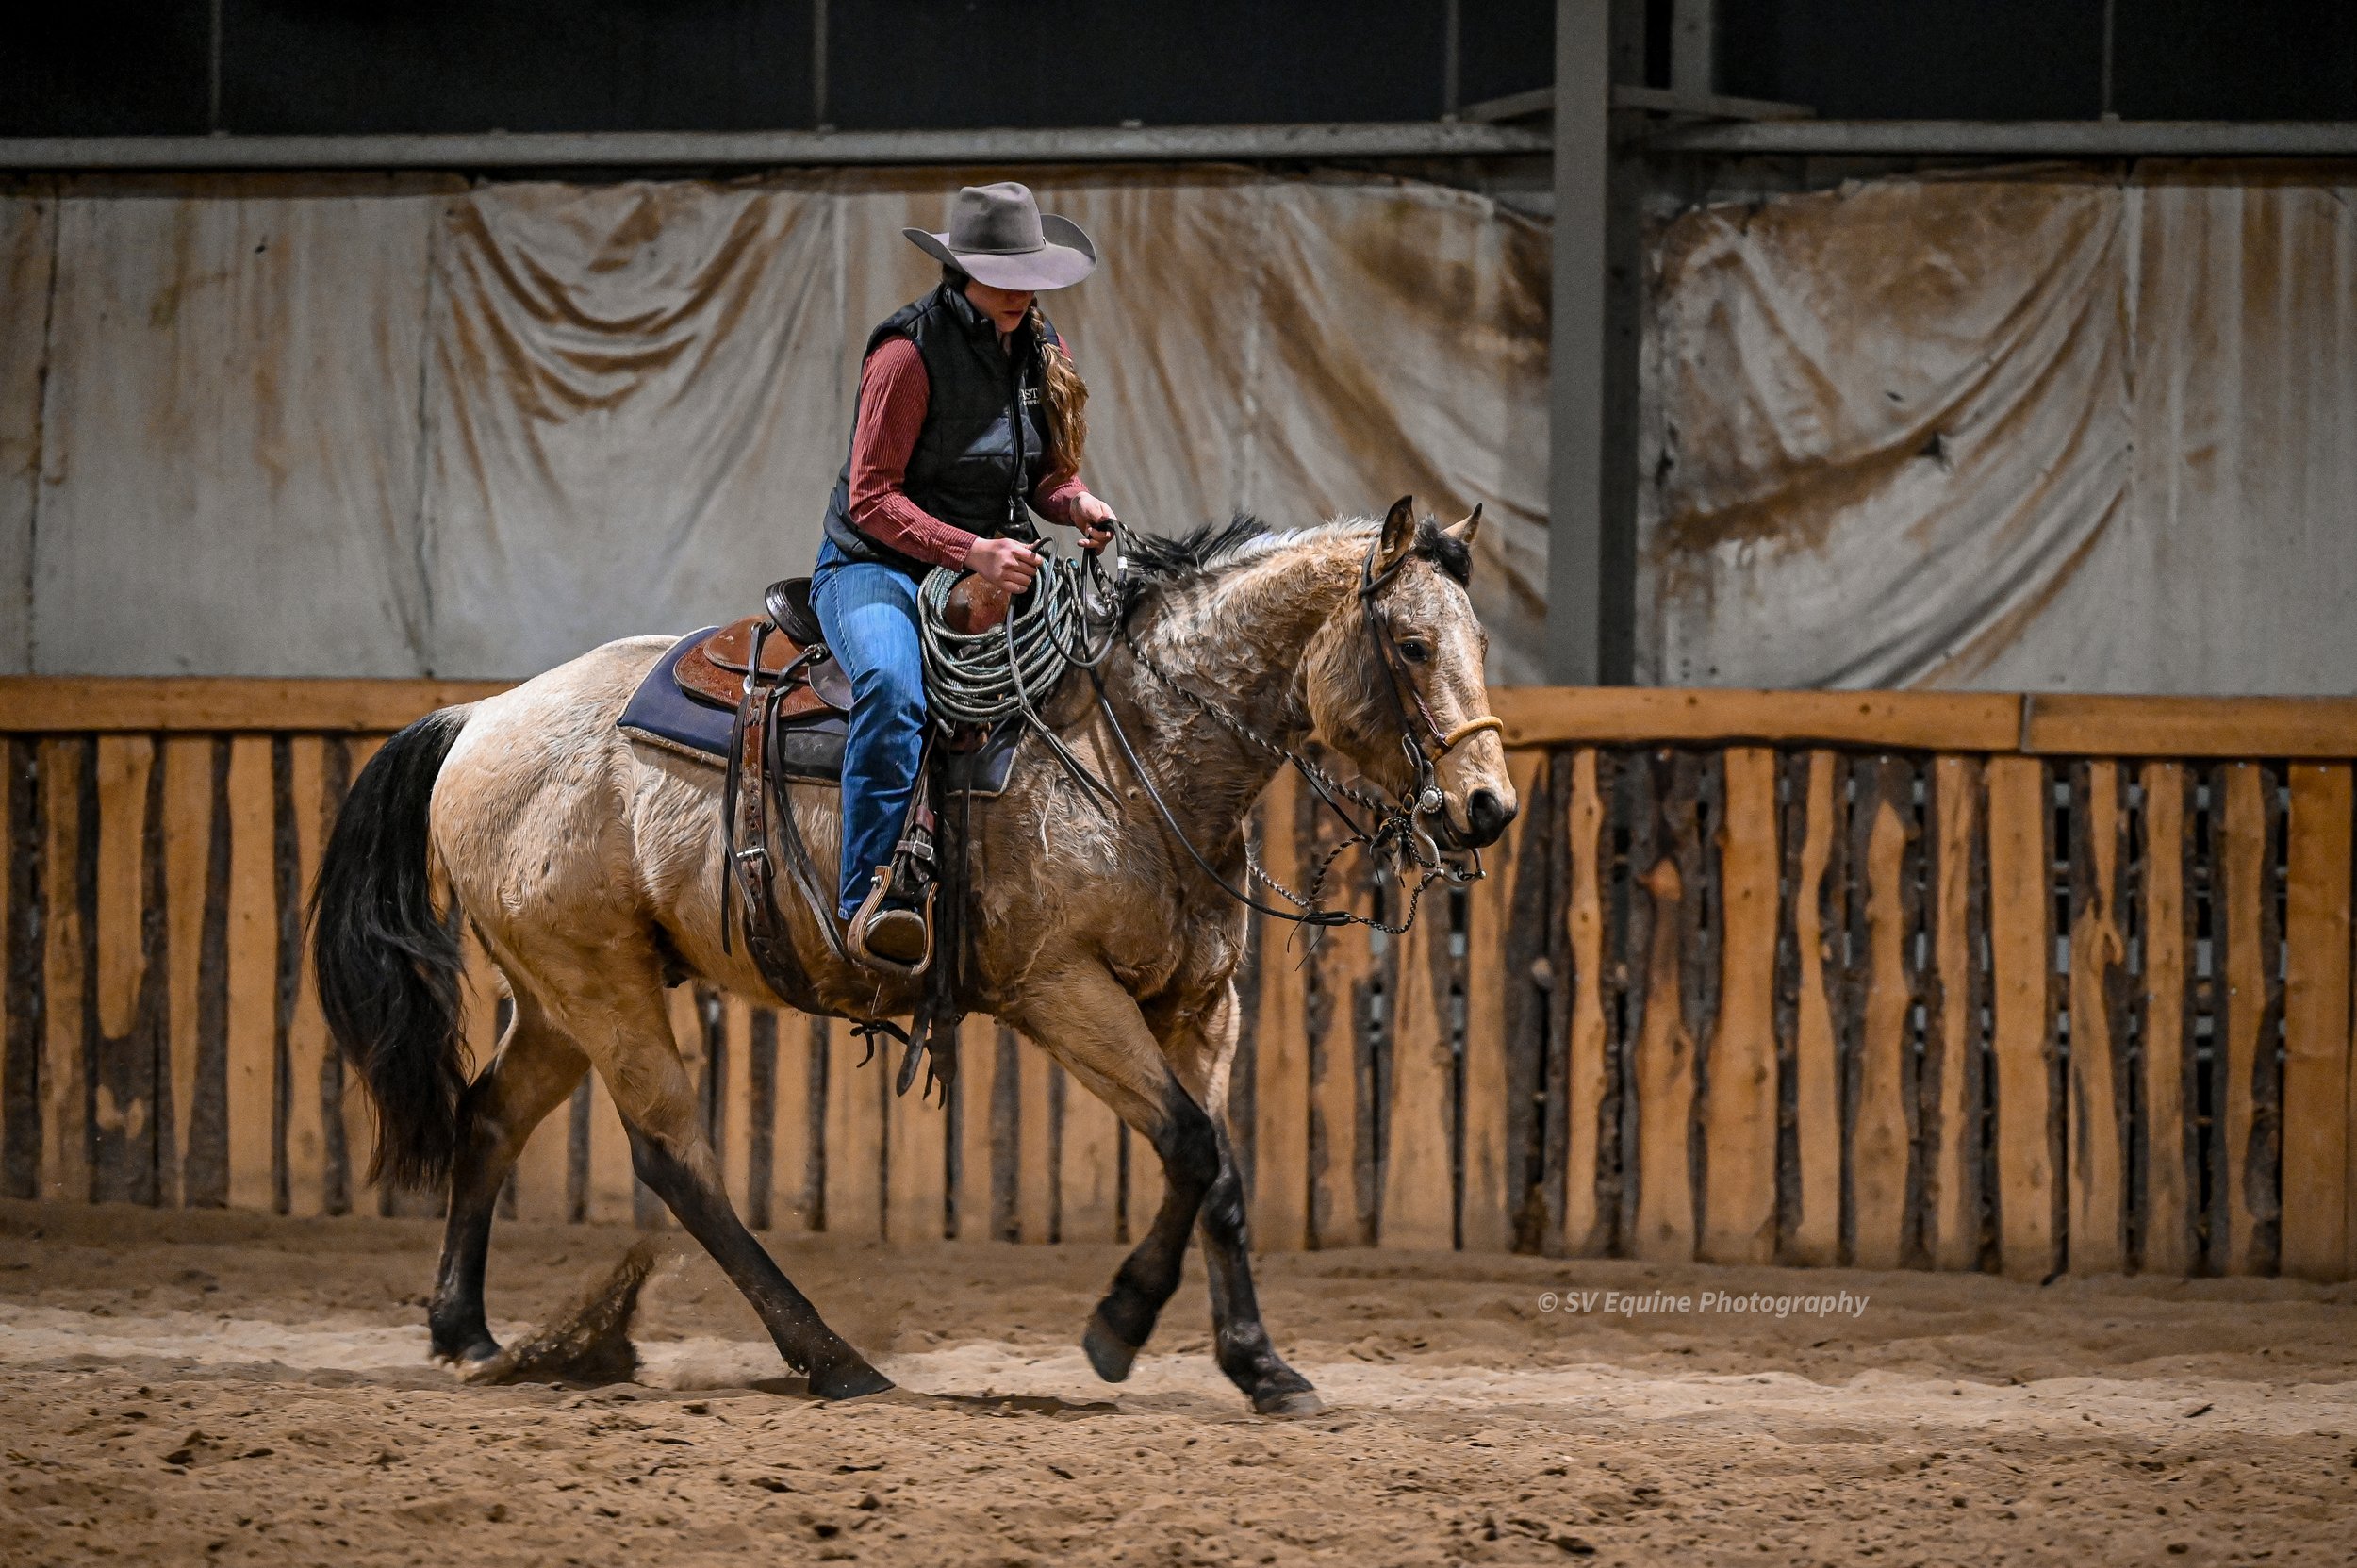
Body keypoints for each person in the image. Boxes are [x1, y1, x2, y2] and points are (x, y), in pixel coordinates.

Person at [813, 182, 1117, 973]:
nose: (1020, 292)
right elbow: (871, 497)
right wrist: (971, 551)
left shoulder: (1043, 349)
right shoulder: (906, 354)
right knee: (891, 685)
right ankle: (868, 900)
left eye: (1029, 276)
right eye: (1002, 274)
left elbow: (1046, 475)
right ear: (963, 270)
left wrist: (1076, 501)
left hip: (989, 567)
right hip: (874, 566)